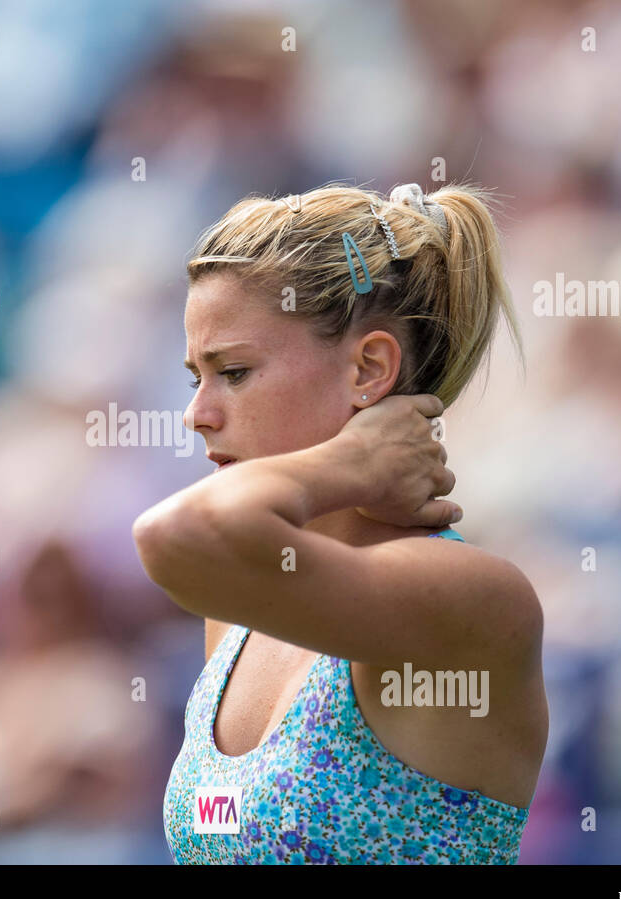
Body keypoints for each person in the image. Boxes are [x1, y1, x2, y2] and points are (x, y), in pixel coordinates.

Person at [133, 182, 548, 864]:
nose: (198, 413)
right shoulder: (244, 608)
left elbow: (172, 534)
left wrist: (348, 462)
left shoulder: (472, 598)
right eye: (195, 378)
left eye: (233, 371)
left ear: (369, 368)